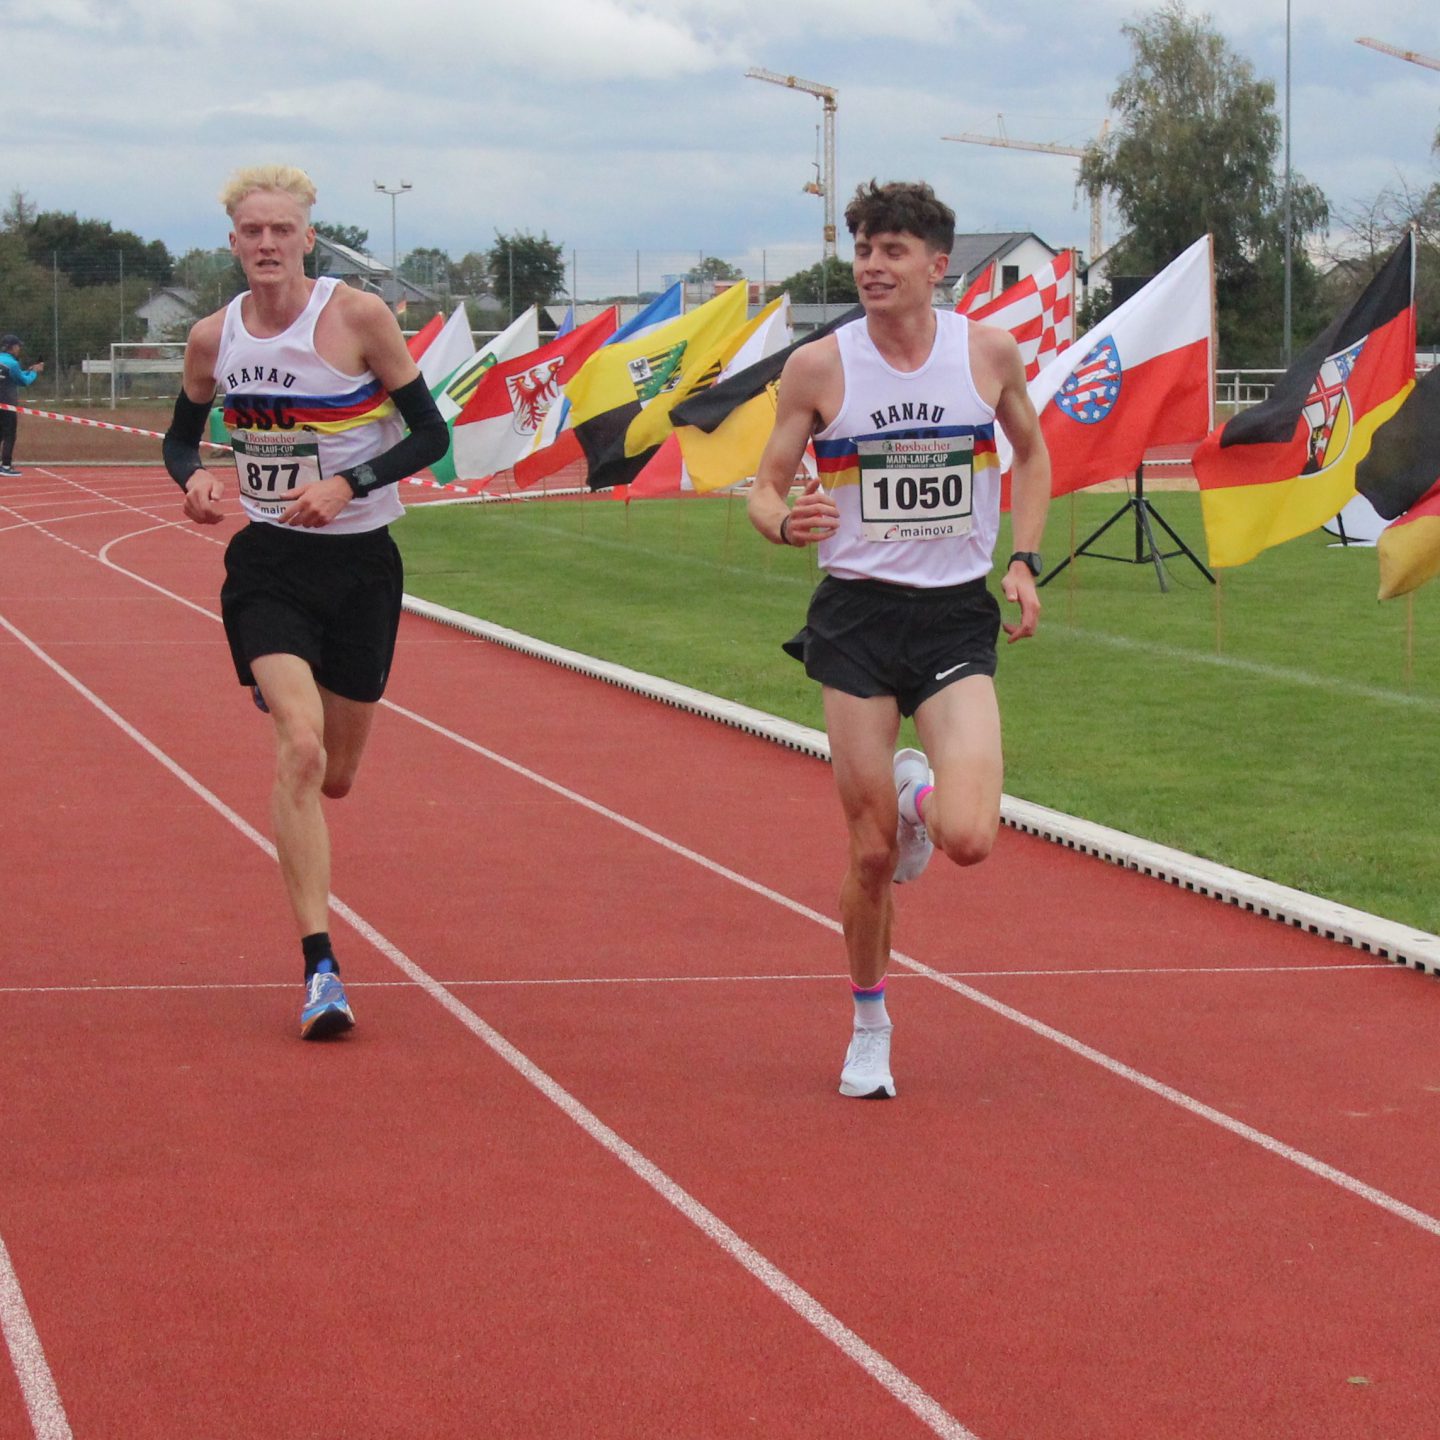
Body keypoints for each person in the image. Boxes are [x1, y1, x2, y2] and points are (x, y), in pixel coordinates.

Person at [748, 180, 1051, 1099]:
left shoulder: (988, 353)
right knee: (870, 851)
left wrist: (1025, 559)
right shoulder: (819, 367)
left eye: (891, 251)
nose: (872, 267)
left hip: (956, 610)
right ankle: (870, 1021)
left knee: (968, 838)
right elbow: (764, 486)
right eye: (863, 251)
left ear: (936, 264)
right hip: (856, 616)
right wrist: (780, 522)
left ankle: (924, 795)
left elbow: (1032, 455)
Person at [163, 164, 447, 1039]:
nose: (267, 245)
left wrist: (346, 482)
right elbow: (180, 440)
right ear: (233, 242)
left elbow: (431, 436)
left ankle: (293, 695)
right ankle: (321, 965)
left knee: (337, 776)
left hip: (362, 564)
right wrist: (196, 477)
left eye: (281, 230)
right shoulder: (214, 338)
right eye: (252, 231)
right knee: (298, 742)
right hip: (268, 565)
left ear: (308, 238)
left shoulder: (356, 318)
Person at [0, 334, 45, 475]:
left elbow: (14, 375)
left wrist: (29, 370)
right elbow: (23, 381)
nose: (19, 348)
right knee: (9, 435)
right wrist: (34, 373)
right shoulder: (12, 363)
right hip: (7, 404)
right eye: (18, 346)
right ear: (12, 347)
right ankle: (6, 466)